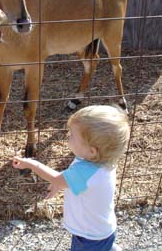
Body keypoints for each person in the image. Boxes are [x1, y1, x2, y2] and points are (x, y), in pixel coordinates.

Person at [12, 105, 130, 251]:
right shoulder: (101, 162)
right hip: (99, 230)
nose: (68, 135)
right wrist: (61, 183)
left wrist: (31, 163)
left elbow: (57, 178)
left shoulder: (86, 172)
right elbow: (70, 176)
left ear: (92, 151)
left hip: (89, 237)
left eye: (72, 134)